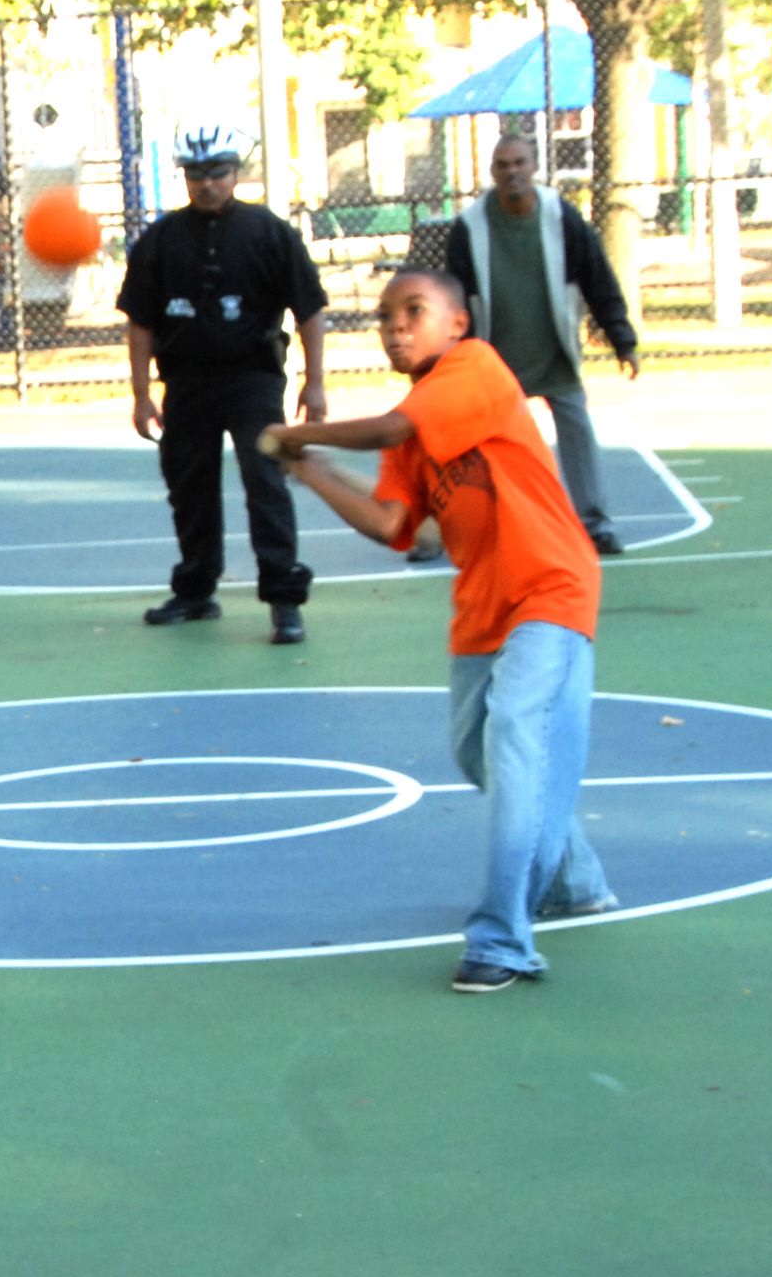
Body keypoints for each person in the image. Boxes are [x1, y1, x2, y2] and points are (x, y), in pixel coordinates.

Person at [263, 270, 617, 993]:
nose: (395, 325)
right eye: (384, 316)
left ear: (458, 323)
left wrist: (294, 431)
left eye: (413, 311)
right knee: (474, 749)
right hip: (484, 604)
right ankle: (574, 880)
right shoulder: (416, 420)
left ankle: (502, 940)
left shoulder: (473, 369)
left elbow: (394, 428)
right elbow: (397, 527)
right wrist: (312, 470)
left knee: (518, 732)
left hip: (551, 586)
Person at [120, 118, 330, 645]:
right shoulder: (161, 240)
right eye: (195, 174)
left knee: (266, 483)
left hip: (253, 379)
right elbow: (140, 320)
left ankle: (284, 598)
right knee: (189, 487)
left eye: (217, 172)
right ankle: (195, 589)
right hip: (186, 383)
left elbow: (309, 309)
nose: (206, 183)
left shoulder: (269, 233)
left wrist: (315, 381)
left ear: (236, 172)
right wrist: (142, 393)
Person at [434, 133, 641, 560]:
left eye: (518, 163)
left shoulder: (560, 217)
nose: (511, 172)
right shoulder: (470, 227)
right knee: (478, 444)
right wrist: (451, 355)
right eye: (502, 165)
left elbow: (597, 279)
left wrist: (623, 339)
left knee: (577, 428)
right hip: (494, 357)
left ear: (533, 167)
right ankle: (466, 524)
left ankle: (595, 523)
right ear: (492, 172)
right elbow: (453, 294)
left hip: (553, 350)